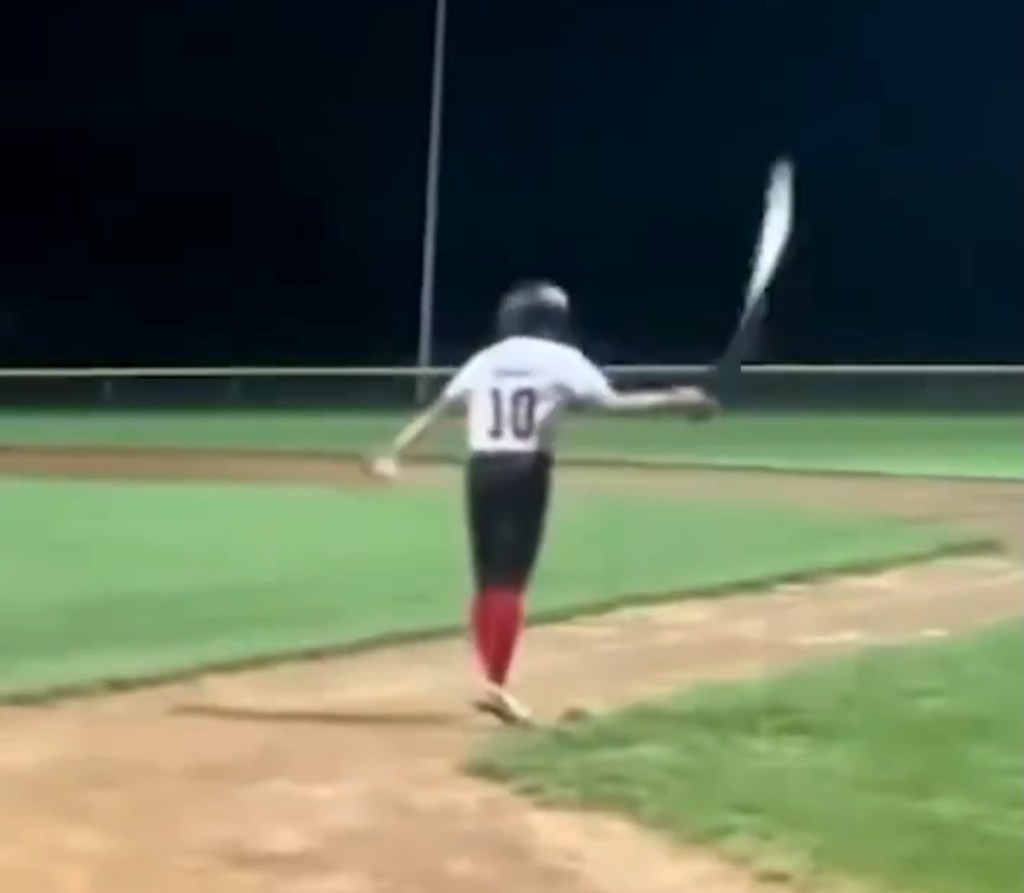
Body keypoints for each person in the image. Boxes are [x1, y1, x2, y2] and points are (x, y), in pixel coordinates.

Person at [368, 280, 717, 724]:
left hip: (481, 470)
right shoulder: (560, 359)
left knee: (489, 579)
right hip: (525, 469)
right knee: (511, 581)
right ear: (555, 320)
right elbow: (612, 404)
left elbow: (438, 411)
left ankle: (492, 680)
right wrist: (677, 401)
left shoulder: (486, 359)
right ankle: (496, 686)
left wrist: (394, 452)